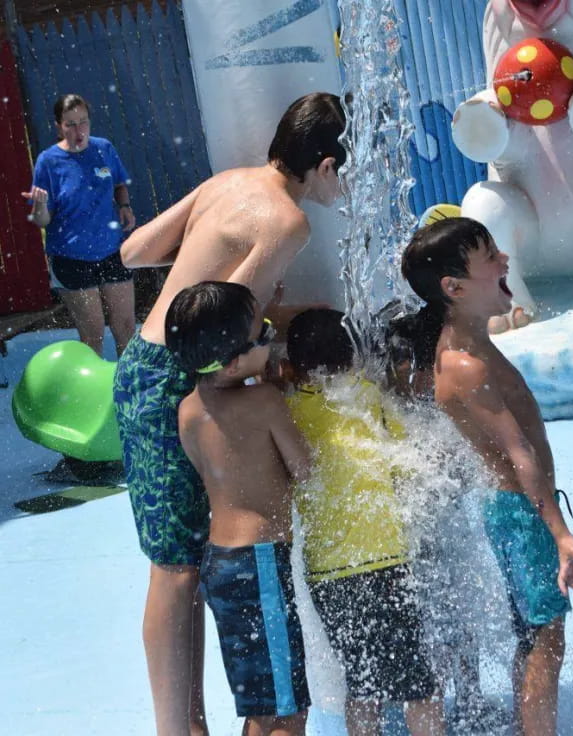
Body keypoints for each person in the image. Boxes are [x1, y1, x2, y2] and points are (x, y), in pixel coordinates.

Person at [112, 92, 345, 735]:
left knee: (174, 561)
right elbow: (226, 337)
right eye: (341, 173)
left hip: (139, 366)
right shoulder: (288, 221)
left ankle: (185, 724)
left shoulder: (227, 183)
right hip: (175, 376)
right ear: (325, 165)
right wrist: (284, 344)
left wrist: (200, 261)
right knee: (177, 568)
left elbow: (133, 251)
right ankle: (177, 729)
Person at [400, 217, 573, 736]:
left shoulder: (467, 347)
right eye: (490, 257)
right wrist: (561, 535)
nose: (504, 260)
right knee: (546, 636)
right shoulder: (467, 365)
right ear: (454, 288)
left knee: (533, 632)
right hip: (522, 511)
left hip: (512, 509)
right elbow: (522, 455)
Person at [285, 308, 445, 736]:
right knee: (419, 684)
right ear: (353, 355)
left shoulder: (287, 409)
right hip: (386, 562)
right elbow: (408, 459)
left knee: (362, 683)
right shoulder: (367, 396)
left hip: (327, 573)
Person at [165, 282, 312, 734]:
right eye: (264, 333)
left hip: (221, 564)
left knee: (259, 704)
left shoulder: (188, 409)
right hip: (261, 565)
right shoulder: (264, 402)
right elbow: (304, 470)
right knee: (289, 708)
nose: (271, 336)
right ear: (232, 362)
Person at [386, 314, 511, 734]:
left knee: (462, 620)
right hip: (410, 547)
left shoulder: (441, 407)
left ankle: (471, 698)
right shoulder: (387, 411)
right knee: (429, 629)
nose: (424, 381)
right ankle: (433, 710)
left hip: (448, 537)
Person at [22, 93, 136, 357]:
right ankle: (93, 396)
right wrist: (39, 205)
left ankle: (129, 391)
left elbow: (118, 183)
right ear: (58, 126)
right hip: (72, 259)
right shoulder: (49, 162)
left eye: (83, 122)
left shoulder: (103, 148)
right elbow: (42, 220)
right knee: (92, 335)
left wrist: (125, 206)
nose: (78, 130)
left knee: (126, 327)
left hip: (111, 250)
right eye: (70, 124)